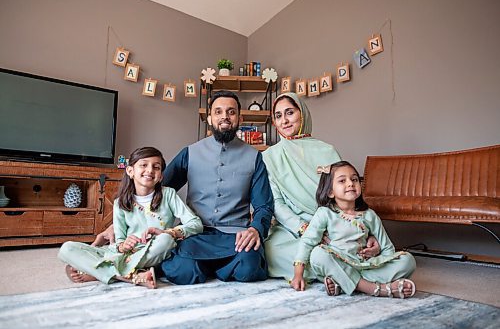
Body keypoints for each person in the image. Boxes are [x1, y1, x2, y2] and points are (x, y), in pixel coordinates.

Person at [262, 92, 380, 281]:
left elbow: (347, 194)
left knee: (353, 242)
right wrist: (305, 228)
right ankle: (343, 268)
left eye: (289, 113)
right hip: (293, 227)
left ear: (303, 114)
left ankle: (335, 267)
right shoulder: (270, 157)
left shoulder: (327, 150)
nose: (284, 120)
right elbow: (277, 203)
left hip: (333, 223)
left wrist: (366, 230)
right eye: (278, 116)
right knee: (271, 250)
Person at [159, 90, 274, 284]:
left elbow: (264, 205)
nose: (225, 117)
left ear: (240, 117)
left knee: (249, 266)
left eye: (231, 112)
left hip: (235, 236)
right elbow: (160, 191)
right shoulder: (189, 153)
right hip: (196, 233)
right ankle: (218, 268)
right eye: (218, 112)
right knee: (181, 271)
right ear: (210, 118)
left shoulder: (255, 157)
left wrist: (255, 229)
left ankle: (209, 269)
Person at [58, 147, 203, 289]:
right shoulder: (119, 203)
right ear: (130, 171)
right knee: (67, 248)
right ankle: (131, 276)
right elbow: (119, 241)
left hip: (155, 252)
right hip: (126, 254)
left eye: (156, 167)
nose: (150, 170)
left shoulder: (169, 195)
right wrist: (123, 245)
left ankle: (101, 272)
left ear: (161, 176)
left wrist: (169, 233)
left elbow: (195, 223)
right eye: (143, 165)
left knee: (166, 240)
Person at [291, 161, 416, 298]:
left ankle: (344, 283)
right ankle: (373, 288)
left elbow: (387, 249)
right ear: (330, 192)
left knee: (408, 260)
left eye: (354, 179)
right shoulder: (324, 213)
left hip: (366, 265)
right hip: (338, 263)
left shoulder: (369, 215)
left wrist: (377, 253)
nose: (350, 183)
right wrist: (298, 274)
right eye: (342, 181)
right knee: (318, 254)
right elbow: (307, 241)